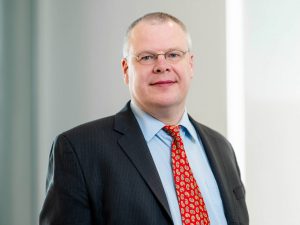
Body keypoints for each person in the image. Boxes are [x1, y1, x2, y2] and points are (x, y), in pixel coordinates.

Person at [39, 12, 249, 225]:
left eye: (173, 54)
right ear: (126, 70)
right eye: (147, 57)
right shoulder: (79, 150)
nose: (162, 65)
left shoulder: (222, 148)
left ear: (191, 64)